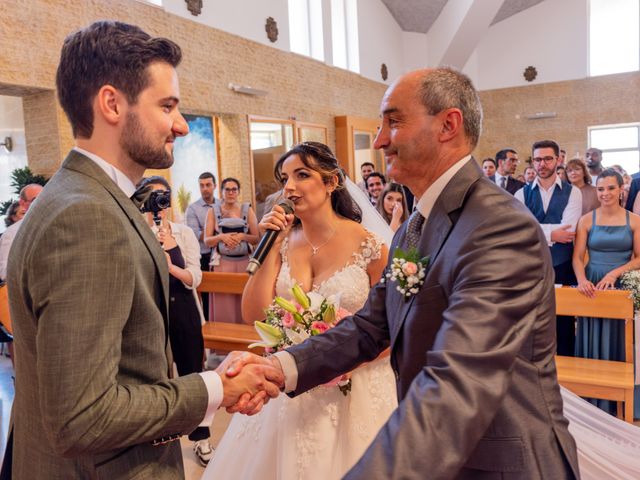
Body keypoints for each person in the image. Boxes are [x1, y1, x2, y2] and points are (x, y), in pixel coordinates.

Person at [229, 68, 580, 478]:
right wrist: (281, 366)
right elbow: (369, 327)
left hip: (498, 462)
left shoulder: (498, 227)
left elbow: (459, 379)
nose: (378, 141)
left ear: (448, 125)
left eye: (393, 122)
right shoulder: (415, 226)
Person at [0, 21, 282, 479]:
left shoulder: (83, 197)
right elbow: (82, 417)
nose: (181, 125)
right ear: (112, 103)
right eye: (167, 105)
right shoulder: (85, 216)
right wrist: (215, 388)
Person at [203, 142, 397, 479]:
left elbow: (395, 328)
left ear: (332, 182)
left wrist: (341, 361)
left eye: (302, 175)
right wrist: (272, 244)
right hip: (288, 386)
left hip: (355, 385)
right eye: (284, 179)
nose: (289, 187)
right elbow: (255, 314)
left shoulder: (371, 246)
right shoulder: (283, 240)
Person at [138, 175, 213, 465]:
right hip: (151, 309)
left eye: (163, 196)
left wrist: (170, 261)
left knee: (193, 374)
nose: (159, 203)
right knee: (155, 376)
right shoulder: (136, 233)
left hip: (183, 307)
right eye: (152, 196)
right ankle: (158, 440)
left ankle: (202, 438)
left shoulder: (182, 233)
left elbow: (195, 277)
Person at [573, 168, 640, 418]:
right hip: (591, 286)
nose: (605, 193)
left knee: (618, 340)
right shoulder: (587, 220)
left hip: (620, 286)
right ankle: (591, 404)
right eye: (601, 189)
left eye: (611, 188)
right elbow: (577, 258)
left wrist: (614, 274)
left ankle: (616, 405)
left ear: (621, 189)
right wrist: (581, 280)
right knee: (591, 336)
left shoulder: (633, 220)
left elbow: (639, 258)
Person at [515, 140, 582, 356]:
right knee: (532, 320)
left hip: (562, 265)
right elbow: (519, 231)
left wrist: (536, 230)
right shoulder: (520, 195)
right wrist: (553, 234)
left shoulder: (573, 193)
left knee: (563, 322)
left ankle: (567, 373)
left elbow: (569, 229)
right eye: (537, 159)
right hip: (530, 267)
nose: (542, 164)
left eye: (547, 158)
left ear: (558, 160)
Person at [204, 177, 259, 323]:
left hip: (244, 263)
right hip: (223, 264)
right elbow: (207, 240)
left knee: (245, 301)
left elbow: (257, 238)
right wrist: (222, 237)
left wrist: (242, 236)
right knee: (224, 304)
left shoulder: (247, 210)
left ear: (238, 192)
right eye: (227, 189)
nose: (230, 192)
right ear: (221, 192)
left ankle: (245, 341)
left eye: (234, 189)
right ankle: (224, 343)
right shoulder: (213, 211)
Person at [185, 171, 217, 319]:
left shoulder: (223, 205)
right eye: (202, 185)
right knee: (206, 294)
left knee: (222, 294)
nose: (205, 188)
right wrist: (218, 232)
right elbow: (196, 235)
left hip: (222, 256)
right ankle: (209, 323)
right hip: (204, 256)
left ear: (214, 186)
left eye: (208, 185)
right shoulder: (192, 209)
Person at [0, 183, 43, 281]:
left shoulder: (59, 221)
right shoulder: (11, 233)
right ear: (23, 203)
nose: (42, 202)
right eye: (35, 199)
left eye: (45, 197)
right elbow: (5, 272)